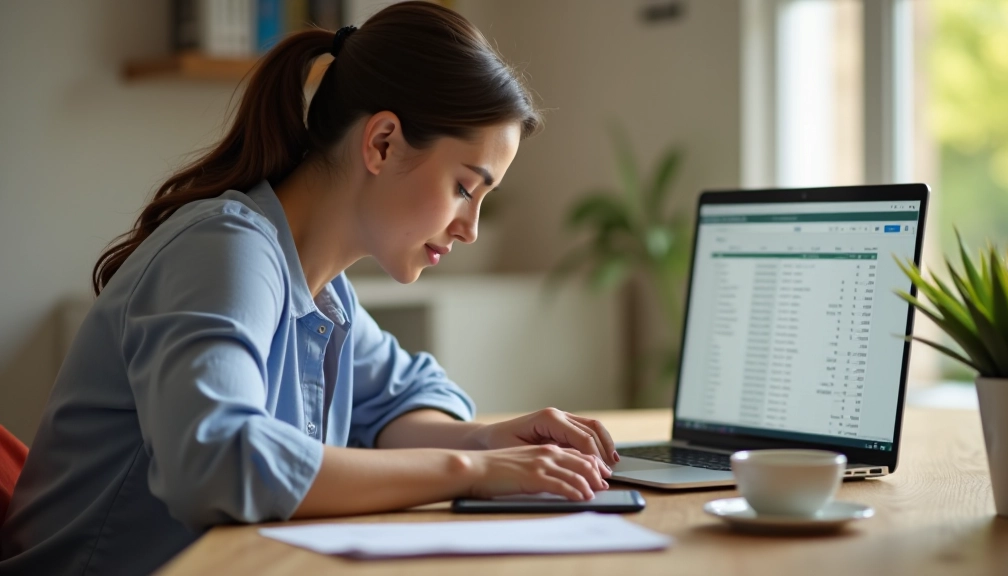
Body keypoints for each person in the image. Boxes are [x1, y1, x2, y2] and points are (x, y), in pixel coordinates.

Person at [0, 2, 620, 574]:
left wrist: (486, 439)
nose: (472, 228)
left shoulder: (324, 289)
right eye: (465, 187)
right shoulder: (226, 251)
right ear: (381, 143)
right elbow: (217, 464)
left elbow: (408, 394)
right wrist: (472, 470)